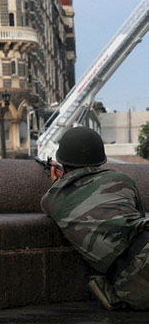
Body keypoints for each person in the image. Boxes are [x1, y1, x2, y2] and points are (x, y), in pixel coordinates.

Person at [41, 126, 149, 310]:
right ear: (100, 160)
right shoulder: (123, 180)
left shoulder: (51, 199)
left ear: (63, 162)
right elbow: (137, 216)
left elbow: (64, 199)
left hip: (134, 286)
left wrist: (59, 184)